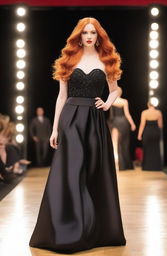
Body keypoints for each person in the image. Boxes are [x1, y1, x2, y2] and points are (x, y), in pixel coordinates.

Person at [29, 17, 126, 253]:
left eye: (93, 32)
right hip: (70, 119)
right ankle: (68, 230)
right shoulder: (68, 60)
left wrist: (107, 103)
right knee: (72, 171)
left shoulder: (107, 60)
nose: (89, 36)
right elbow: (61, 96)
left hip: (94, 120)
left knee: (92, 172)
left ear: (98, 35)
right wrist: (54, 128)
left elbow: (116, 89)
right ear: (79, 36)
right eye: (85, 32)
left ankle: (92, 229)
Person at [109, 87, 136, 170]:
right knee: (125, 143)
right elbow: (127, 114)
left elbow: (111, 115)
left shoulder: (111, 101)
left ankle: (117, 164)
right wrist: (132, 124)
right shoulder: (124, 101)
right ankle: (125, 165)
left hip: (115, 122)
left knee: (115, 144)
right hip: (124, 123)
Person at [137, 101, 163, 170]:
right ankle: (156, 167)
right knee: (155, 149)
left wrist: (139, 135)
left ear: (148, 105)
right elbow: (160, 125)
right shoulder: (158, 112)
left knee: (147, 149)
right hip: (156, 132)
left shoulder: (144, 112)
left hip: (148, 132)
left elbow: (142, 124)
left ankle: (147, 167)